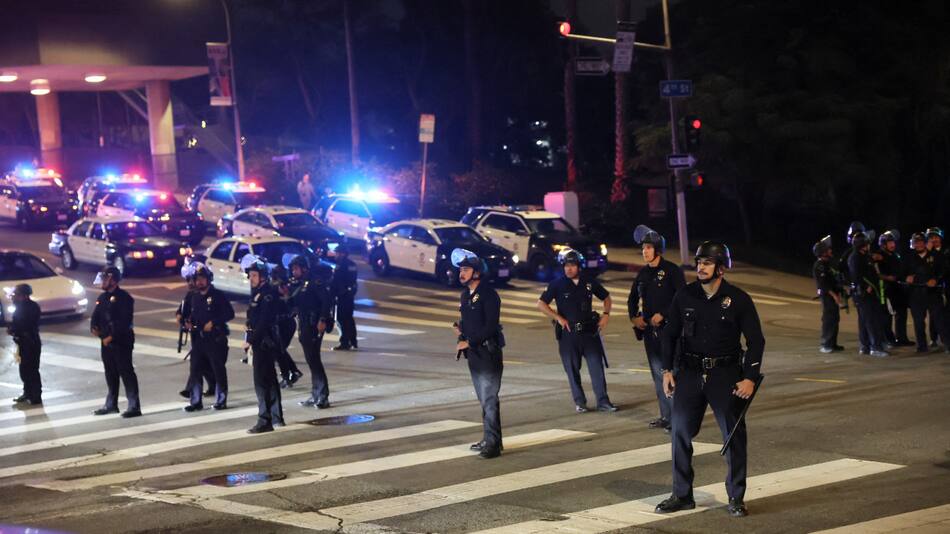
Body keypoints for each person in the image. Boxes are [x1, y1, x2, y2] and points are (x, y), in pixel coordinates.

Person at [655, 241, 764, 518]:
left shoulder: (738, 299)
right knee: (679, 431)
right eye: (699, 262)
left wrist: (750, 377)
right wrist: (667, 371)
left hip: (725, 375)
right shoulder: (685, 296)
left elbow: (755, 341)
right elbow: (669, 335)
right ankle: (681, 495)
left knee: (733, 436)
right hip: (689, 373)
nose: (700, 267)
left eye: (707, 262)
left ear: (722, 268)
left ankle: (736, 497)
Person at [537, 249, 617, 413]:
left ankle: (603, 401)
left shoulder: (589, 282)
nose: (569, 269)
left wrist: (606, 315)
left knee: (597, 368)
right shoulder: (557, 284)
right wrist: (558, 317)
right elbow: (541, 304)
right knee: (572, 370)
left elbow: (606, 298)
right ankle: (580, 402)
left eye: (572, 265)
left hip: (589, 332)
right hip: (568, 334)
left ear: (579, 266)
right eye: (566, 265)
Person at [627, 226, 685, 431]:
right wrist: (635, 318)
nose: (645, 251)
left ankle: (678, 418)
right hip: (651, 334)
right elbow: (632, 298)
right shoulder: (643, 273)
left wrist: (665, 314)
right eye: (643, 248)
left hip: (670, 332)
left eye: (649, 248)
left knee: (672, 374)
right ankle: (666, 416)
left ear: (658, 250)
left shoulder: (672, 271)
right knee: (658, 374)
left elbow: (682, 298)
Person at [452, 248, 505, 459]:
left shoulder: (489, 294)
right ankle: (491, 438)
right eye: (460, 270)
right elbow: (468, 323)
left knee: (490, 399)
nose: (461, 274)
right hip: (473, 355)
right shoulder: (465, 295)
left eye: (465, 269)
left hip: (488, 354)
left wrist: (469, 341)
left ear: (476, 272)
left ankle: (492, 444)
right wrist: (461, 333)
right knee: (484, 400)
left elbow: (491, 326)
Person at [90, 266, 141, 418]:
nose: (103, 281)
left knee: (126, 372)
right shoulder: (102, 298)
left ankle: (134, 406)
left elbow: (124, 322)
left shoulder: (124, 298)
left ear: (113, 280)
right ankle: (111, 404)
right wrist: (94, 328)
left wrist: (111, 337)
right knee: (110, 373)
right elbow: (96, 316)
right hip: (105, 342)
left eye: (105, 278)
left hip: (121, 342)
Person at [242, 255, 285, 433]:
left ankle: (264, 419)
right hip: (262, 340)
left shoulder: (266, 294)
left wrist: (250, 341)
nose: (250, 279)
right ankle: (276, 417)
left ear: (262, 276)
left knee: (261, 381)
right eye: (250, 275)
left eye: (253, 275)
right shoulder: (260, 292)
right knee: (270, 380)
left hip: (263, 342)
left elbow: (264, 321)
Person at [184, 263, 234, 411]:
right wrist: (186, 322)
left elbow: (229, 313)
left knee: (218, 370)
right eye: (197, 279)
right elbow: (187, 314)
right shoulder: (194, 297)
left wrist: (214, 322)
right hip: (198, 340)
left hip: (215, 339)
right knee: (195, 370)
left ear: (208, 279)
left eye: (202, 278)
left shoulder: (218, 295)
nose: (199, 282)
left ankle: (221, 400)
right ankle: (195, 401)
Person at [288, 254, 332, 408]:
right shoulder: (299, 284)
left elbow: (326, 301)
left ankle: (323, 396)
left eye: (296, 269)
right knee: (311, 360)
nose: (294, 272)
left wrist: (323, 320)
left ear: (304, 268)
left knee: (314, 360)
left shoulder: (315, 281)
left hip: (314, 325)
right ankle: (315, 394)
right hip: (304, 325)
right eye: (292, 269)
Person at [177, 263, 215, 399]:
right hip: (196, 335)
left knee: (200, 364)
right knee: (199, 364)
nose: (189, 283)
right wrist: (182, 320)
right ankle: (206, 387)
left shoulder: (209, 293)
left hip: (210, 336)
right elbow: (181, 312)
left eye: (190, 280)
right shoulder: (191, 295)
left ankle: (194, 389)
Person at [848, 232, 889, 356]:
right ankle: (875, 347)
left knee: (865, 320)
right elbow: (856, 276)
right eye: (866, 244)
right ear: (862, 245)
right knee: (871, 320)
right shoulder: (855, 258)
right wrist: (866, 287)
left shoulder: (864, 256)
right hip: (864, 294)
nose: (868, 246)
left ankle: (865, 346)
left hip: (868, 293)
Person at [905, 232, 947, 353]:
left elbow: (943, 270)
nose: (918, 244)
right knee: (918, 321)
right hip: (916, 293)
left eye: (921, 241)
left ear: (925, 242)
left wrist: (936, 279)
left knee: (939, 319)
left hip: (933, 293)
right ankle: (922, 346)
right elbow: (901, 273)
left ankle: (947, 343)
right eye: (916, 242)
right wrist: (906, 278)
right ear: (912, 244)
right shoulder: (909, 257)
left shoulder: (936, 255)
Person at [269, 265, 304, 388]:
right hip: (285, 322)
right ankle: (293, 372)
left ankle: (288, 376)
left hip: (284, 323)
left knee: (279, 350)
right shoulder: (285, 285)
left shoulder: (279, 287)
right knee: (280, 350)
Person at [877, 230, 913, 347]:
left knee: (901, 313)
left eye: (893, 242)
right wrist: (887, 277)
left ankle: (902, 338)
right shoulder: (879, 256)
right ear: (883, 244)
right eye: (889, 242)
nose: (893, 244)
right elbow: (876, 273)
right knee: (887, 316)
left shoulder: (895, 255)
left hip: (898, 289)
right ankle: (888, 339)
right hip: (887, 290)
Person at [7, 284, 42, 405]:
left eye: (16, 294)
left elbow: (24, 324)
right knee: (24, 369)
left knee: (32, 369)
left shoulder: (31, 307)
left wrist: (13, 330)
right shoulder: (20, 307)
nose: (14, 296)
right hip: (23, 342)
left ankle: (36, 396)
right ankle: (27, 392)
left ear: (23, 295)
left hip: (30, 342)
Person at [812, 235, 844, 353]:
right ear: (823, 252)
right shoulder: (819, 266)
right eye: (828, 249)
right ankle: (826, 344)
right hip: (827, 296)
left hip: (833, 295)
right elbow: (823, 284)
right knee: (829, 319)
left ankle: (832, 343)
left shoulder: (828, 264)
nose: (831, 251)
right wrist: (835, 296)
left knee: (835, 318)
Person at [331, 247, 359, 351]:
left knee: (340, 319)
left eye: (337, 253)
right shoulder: (352, 264)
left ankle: (344, 342)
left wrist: (332, 293)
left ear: (342, 254)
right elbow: (353, 280)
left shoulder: (340, 265)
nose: (336, 255)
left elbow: (336, 281)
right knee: (349, 318)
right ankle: (353, 341)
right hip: (349, 295)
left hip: (342, 295)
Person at [924, 227, 947, 349]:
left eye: (936, 237)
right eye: (931, 237)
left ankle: (945, 338)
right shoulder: (927, 253)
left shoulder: (946, 251)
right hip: (933, 289)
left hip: (945, 286)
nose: (934, 239)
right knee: (933, 315)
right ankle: (934, 338)